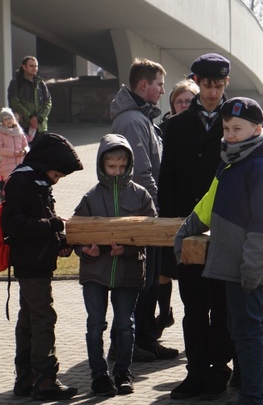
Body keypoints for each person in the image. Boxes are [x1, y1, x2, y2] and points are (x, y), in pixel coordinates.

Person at [175, 97, 263, 405]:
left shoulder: (261, 167)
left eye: (237, 128)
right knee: (244, 333)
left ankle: (255, 397)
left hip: (247, 270)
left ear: (257, 128)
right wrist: (188, 228)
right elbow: (211, 202)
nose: (230, 134)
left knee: (251, 336)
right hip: (232, 266)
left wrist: (253, 269)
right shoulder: (231, 161)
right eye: (226, 128)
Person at [158, 53, 235, 400]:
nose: (213, 92)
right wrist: (171, 229)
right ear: (196, 81)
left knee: (221, 303)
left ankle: (220, 369)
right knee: (192, 305)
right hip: (187, 228)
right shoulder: (175, 126)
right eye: (207, 85)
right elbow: (167, 180)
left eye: (219, 85)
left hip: (226, 225)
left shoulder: (237, 121)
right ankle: (195, 371)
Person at [73, 134, 156, 396]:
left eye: (122, 167)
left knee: (125, 324)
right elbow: (75, 232)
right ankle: (99, 376)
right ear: (102, 165)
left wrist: (129, 249)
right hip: (95, 271)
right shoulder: (91, 197)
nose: (117, 172)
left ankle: (122, 372)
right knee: (95, 324)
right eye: (112, 167)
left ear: (129, 165)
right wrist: (86, 249)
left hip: (128, 272)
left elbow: (150, 233)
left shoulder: (141, 196)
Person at [2, 133, 83, 400]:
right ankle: (45, 380)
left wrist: (59, 240)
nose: (56, 180)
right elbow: (14, 225)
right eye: (57, 175)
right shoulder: (22, 182)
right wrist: (55, 226)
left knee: (28, 320)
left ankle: (25, 379)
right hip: (30, 264)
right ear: (45, 163)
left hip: (37, 261)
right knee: (43, 319)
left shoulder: (36, 181)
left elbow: (42, 216)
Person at [109, 57, 178, 362]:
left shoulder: (140, 117)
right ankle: (131, 343)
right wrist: (156, 213)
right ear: (143, 85)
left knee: (148, 281)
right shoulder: (134, 121)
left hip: (142, 213)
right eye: (160, 84)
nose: (163, 91)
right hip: (140, 216)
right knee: (140, 281)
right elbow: (142, 173)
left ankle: (145, 339)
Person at [157, 78, 199, 337]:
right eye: (179, 101)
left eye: (188, 101)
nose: (184, 105)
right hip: (172, 212)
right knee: (166, 269)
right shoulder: (166, 130)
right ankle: (164, 313)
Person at [6, 56, 52, 144]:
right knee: (25, 155)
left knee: (40, 154)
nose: (34, 68)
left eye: (36, 66)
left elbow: (48, 102)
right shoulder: (16, 83)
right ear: (24, 67)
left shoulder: (41, 83)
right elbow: (14, 102)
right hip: (23, 127)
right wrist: (30, 117)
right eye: (31, 66)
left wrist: (39, 118)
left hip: (40, 127)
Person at [0, 107, 28, 200]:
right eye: (5, 119)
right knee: (9, 190)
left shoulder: (19, 131)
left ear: (13, 118)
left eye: (10, 118)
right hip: (6, 165)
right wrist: (13, 153)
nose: (8, 120)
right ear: (2, 121)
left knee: (20, 189)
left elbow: (26, 145)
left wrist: (24, 151)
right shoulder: (0, 132)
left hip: (20, 164)